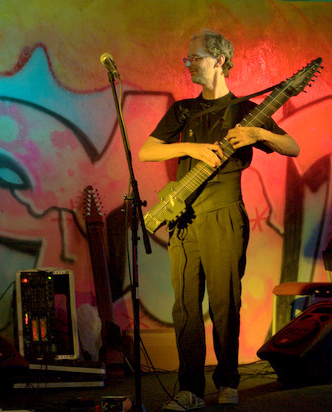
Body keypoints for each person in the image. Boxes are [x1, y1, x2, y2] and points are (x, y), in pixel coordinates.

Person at [138, 30, 299, 410]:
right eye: (187, 58)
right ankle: (189, 390)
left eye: (194, 57)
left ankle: (228, 381)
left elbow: (292, 146)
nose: (188, 63)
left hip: (225, 213)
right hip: (183, 215)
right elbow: (147, 151)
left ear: (219, 60)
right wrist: (191, 147)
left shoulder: (245, 112)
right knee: (186, 307)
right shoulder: (183, 110)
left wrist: (257, 134)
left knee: (226, 302)